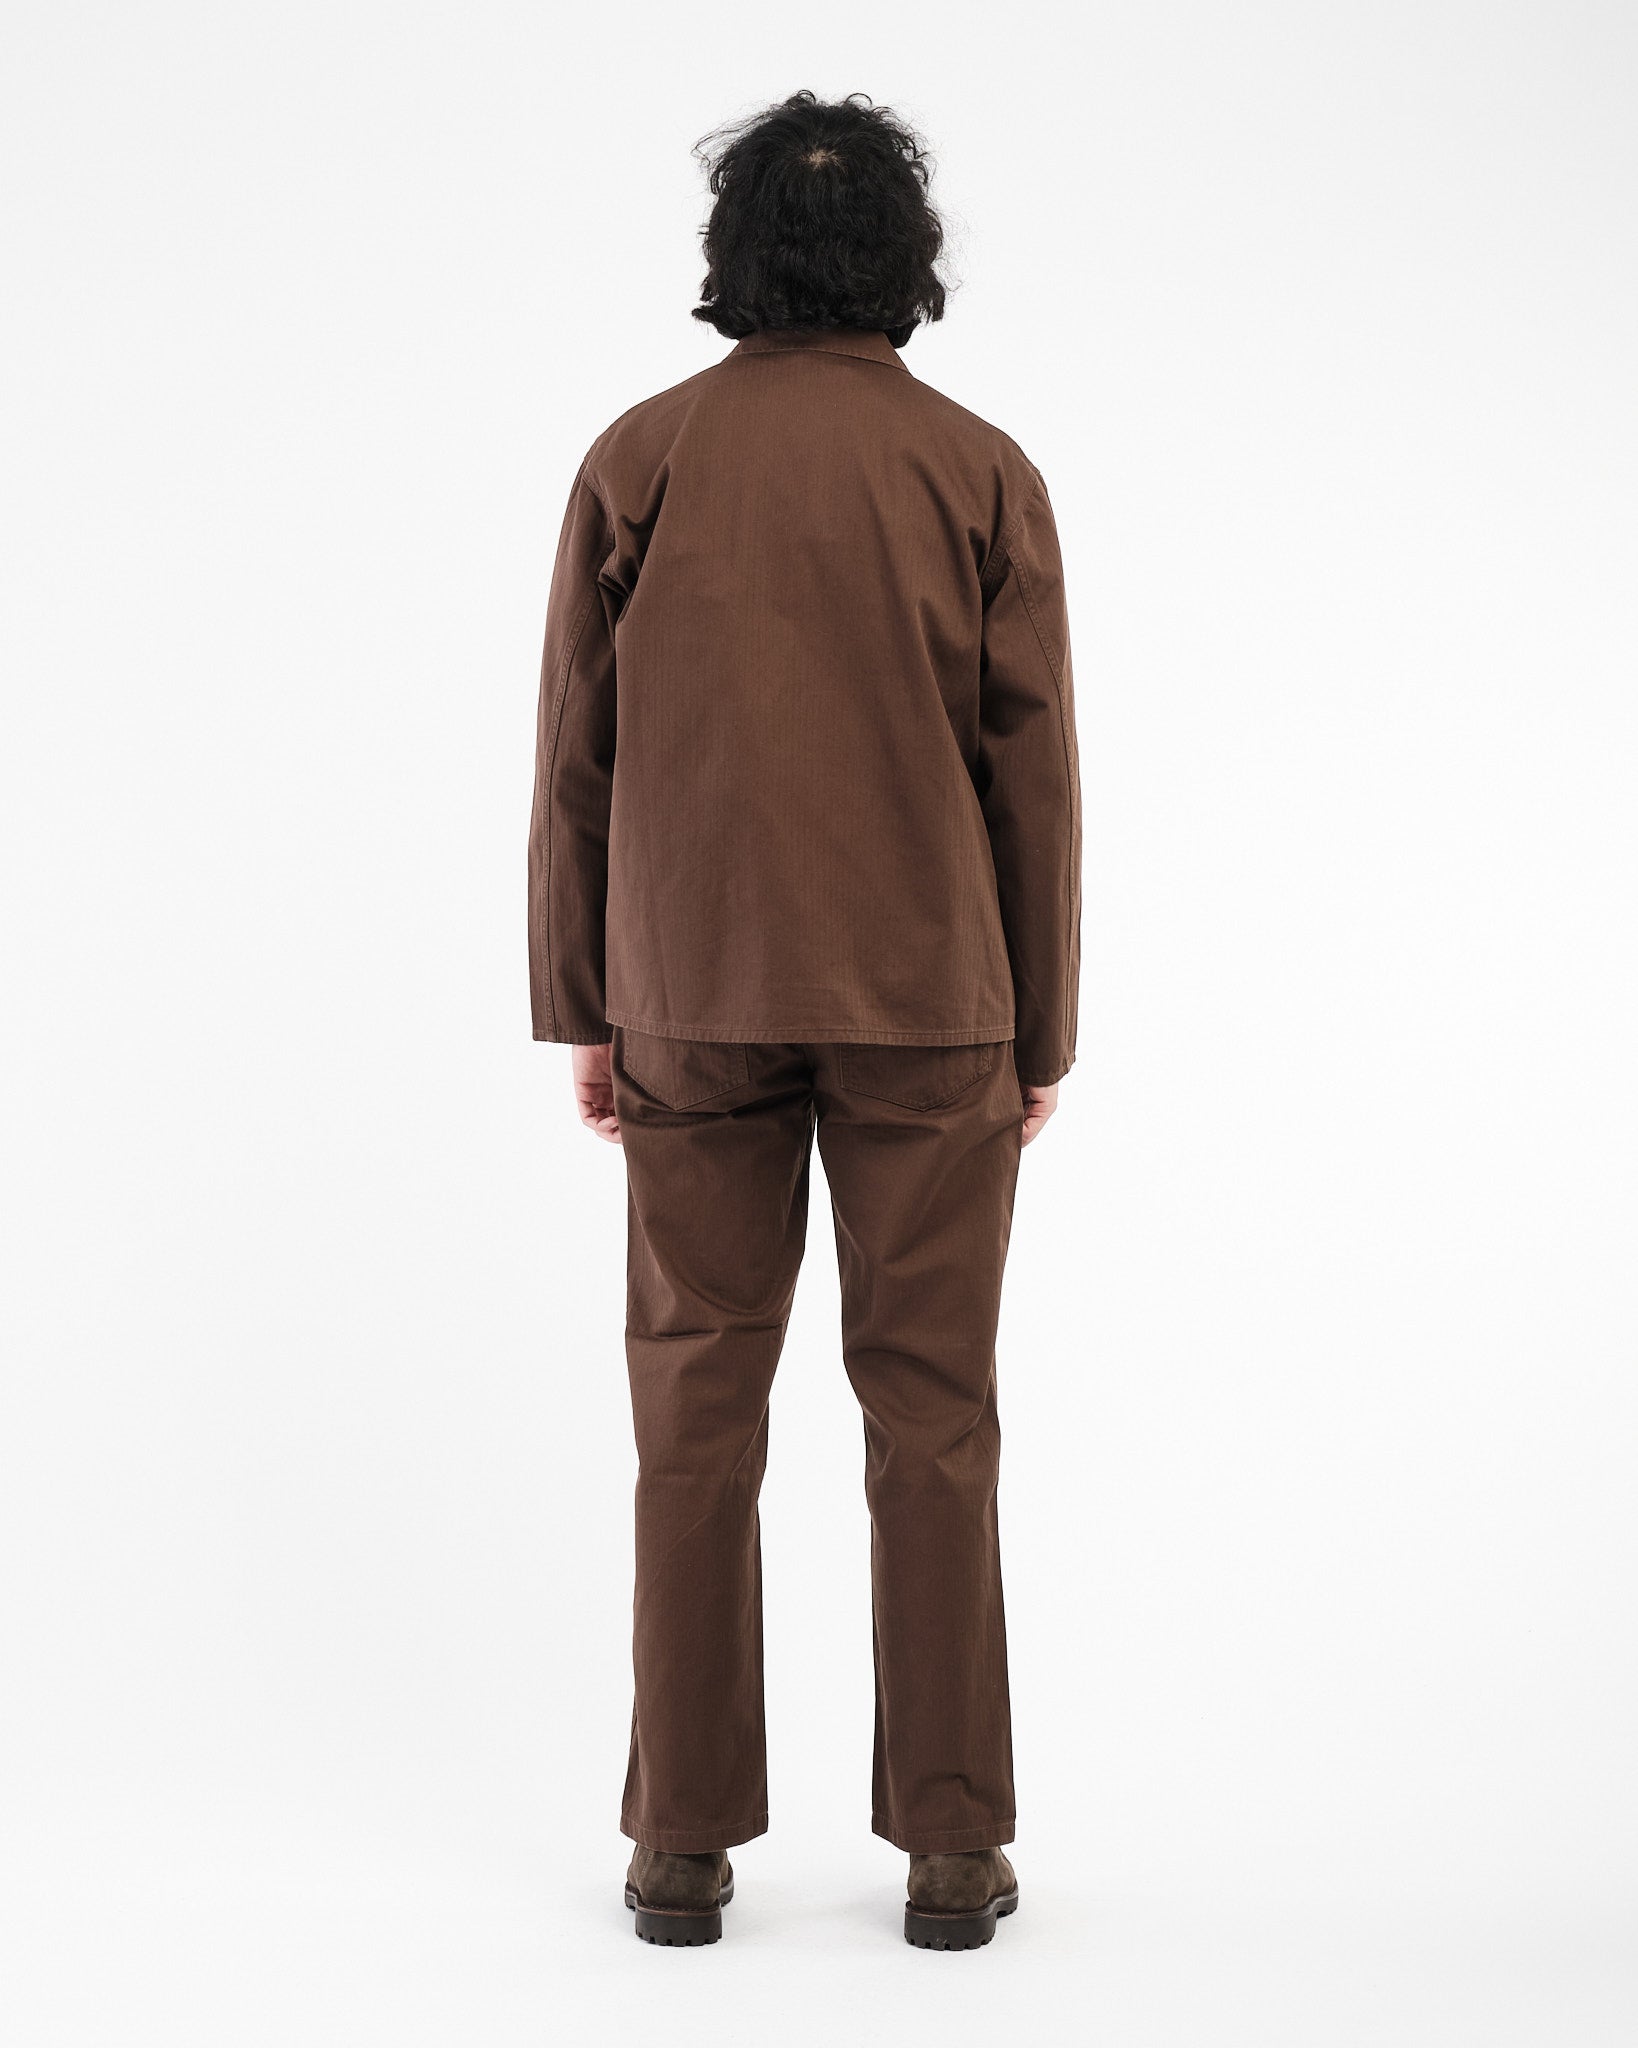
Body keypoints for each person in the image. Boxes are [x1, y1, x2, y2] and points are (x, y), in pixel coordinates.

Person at [528, 89, 1081, 1951]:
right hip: (932, 1002)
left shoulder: (641, 454)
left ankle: (679, 1848)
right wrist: (1040, 1028)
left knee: (693, 1406)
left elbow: (579, 757)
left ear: (734, 256)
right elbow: (1031, 774)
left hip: (688, 989)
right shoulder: (977, 468)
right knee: (933, 1415)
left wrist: (584, 1001)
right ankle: (952, 1850)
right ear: (904, 259)